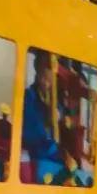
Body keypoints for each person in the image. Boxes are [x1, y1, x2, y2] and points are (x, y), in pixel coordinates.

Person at [21, 50, 63, 182]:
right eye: (44, 78)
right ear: (38, 73)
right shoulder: (29, 96)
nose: (46, 83)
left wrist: (59, 115)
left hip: (52, 155)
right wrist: (47, 121)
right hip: (37, 156)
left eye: (50, 80)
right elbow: (28, 132)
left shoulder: (54, 99)